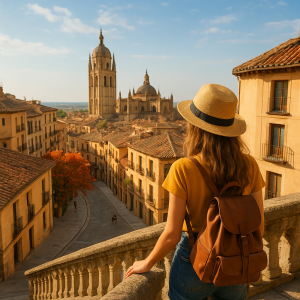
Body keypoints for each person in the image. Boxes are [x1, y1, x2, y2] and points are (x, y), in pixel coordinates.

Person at [125, 84, 265, 300]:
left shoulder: (184, 167)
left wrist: (148, 262)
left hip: (194, 260)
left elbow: (171, 234)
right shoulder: (250, 166)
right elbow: (259, 226)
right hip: (236, 262)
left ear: (195, 127)